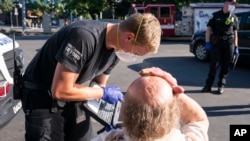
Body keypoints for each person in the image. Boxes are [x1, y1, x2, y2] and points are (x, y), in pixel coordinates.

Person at [20, 13, 161, 141]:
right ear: (129, 37)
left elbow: (98, 85)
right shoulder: (84, 37)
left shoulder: (116, 50)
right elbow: (60, 90)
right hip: (42, 96)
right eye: (136, 53)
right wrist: (102, 93)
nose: (133, 57)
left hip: (71, 93)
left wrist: (108, 117)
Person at [92, 67, 209, 141]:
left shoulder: (109, 138)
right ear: (172, 115)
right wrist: (173, 90)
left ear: (124, 113)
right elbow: (198, 119)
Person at [201, 0, 239, 94]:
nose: (232, 5)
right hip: (217, 42)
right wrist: (207, 42)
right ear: (225, 3)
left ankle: (221, 86)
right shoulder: (215, 15)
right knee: (214, 65)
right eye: (231, 3)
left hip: (229, 42)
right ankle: (208, 86)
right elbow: (209, 29)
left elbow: (235, 33)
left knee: (225, 66)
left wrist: (236, 46)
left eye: (234, 4)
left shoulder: (234, 17)